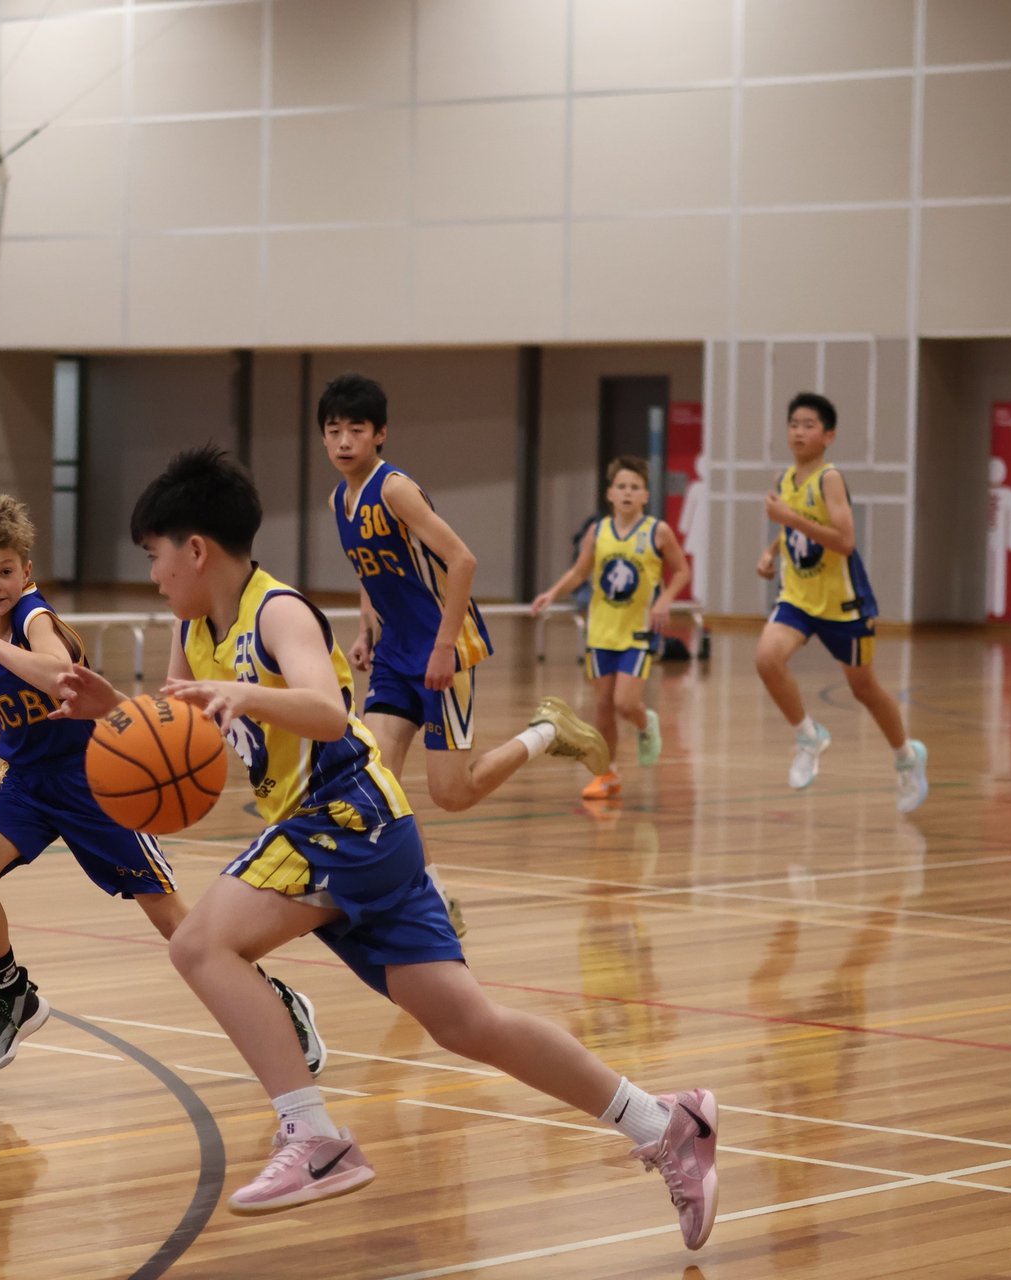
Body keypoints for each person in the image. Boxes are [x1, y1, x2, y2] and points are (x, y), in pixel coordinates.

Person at [51, 448, 718, 1247]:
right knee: (469, 1023)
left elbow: (331, 712)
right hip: (362, 831)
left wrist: (248, 692)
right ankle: (665, 1120)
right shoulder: (194, 626)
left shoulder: (278, 612)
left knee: (199, 945)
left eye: (155, 557)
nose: (154, 575)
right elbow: (176, 727)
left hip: (345, 813)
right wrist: (110, 712)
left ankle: (313, 1137)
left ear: (195, 548)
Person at [0, 494, 323, 1077]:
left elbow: (57, 673)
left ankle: (280, 1002)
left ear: (27, 572)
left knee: (177, 927)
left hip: (93, 780)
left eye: (7, 572)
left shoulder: (33, 619)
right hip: (29, 781)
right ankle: (13, 994)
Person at [321, 372, 607, 936]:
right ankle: (435, 896)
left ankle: (546, 732)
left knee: (451, 794)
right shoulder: (339, 499)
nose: (344, 440)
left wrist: (446, 644)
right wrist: (365, 630)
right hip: (395, 653)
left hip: (442, 651)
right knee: (377, 781)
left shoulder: (395, 488)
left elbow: (463, 560)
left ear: (380, 434)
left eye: (357, 429)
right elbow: (373, 571)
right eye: (334, 431)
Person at [754, 392, 928, 813]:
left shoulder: (830, 479)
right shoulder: (784, 480)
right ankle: (807, 735)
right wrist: (772, 552)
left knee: (864, 689)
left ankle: (906, 757)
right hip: (798, 597)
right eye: (794, 423)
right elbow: (794, 528)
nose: (799, 430)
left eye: (809, 424)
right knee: (766, 659)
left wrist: (789, 521)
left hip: (843, 604)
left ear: (829, 435)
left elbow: (845, 541)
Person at [531, 456, 692, 799]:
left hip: (636, 633)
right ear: (610, 494)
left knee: (625, 703)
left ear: (646, 495)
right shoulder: (598, 530)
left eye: (635, 487)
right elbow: (579, 572)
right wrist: (552, 593)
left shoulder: (657, 532)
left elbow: (681, 571)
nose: (628, 493)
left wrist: (665, 601)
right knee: (603, 706)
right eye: (621, 487)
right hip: (601, 632)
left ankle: (646, 723)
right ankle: (608, 774)